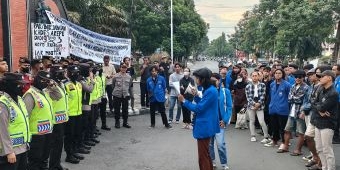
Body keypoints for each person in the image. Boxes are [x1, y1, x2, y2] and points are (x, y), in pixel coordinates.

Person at [178, 67, 220, 170]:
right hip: (207, 125)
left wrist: (184, 101)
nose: (196, 80)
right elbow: (202, 103)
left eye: (197, 78)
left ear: (203, 79)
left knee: (203, 156)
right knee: (206, 154)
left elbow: (199, 108)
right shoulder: (209, 90)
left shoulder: (210, 91)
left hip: (205, 126)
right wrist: (196, 94)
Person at [23, 71, 62, 170]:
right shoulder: (30, 94)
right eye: (43, 80)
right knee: (35, 161)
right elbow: (26, 116)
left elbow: (58, 96)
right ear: (36, 79)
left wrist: (52, 85)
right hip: (36, 134)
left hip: (47, 131)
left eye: (47, 81)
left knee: (44, 158)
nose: (45, 82)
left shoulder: (46, 92)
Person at [0, 73, 30, 170]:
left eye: (22, 84)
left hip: (22, 147)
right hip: (10, 151)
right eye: (19, 84)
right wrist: (9, 151)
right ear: (10, 85)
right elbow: (2, 129)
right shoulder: (3, 103)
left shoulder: (19, 99)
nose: (22, 87)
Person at [310, 70, 338, 170]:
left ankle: (330, 168)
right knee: (319, 148)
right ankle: (324, 167)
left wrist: (319, 108)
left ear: (329, 78)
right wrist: (320, 110)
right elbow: (312, 101)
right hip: (318, 121)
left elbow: (321, 107)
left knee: (327, 149)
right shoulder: (321, 89)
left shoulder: (333, 93)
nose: (320, 78)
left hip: (328, 123)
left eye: (322, 76)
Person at [277, 70, 309, 155]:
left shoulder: (306, 87)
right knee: (287, 130)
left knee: (300, 132)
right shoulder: (293, 86)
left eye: (300, 77)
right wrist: (294, 98)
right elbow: (289, 98)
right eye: (296, 77)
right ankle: (286, 147)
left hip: (300, 112)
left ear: (303, 77)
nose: (297, 78)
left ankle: (298, 150)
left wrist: (293, 98)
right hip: (292, 111)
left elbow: (299, 99)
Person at [48, 65, 70, 170]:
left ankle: (56, 164)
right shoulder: (50, 85)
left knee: (59, 144)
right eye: (60, 72)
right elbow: (58, 97)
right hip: (55, 119)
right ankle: (53, 166)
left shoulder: (60, 83)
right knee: (55, 145)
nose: (63, 74)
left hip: (62, 118)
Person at [209, 73, 232, 170]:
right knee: (209, 144)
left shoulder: (225, 91)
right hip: (209, 122)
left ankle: (224, 163)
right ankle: (212, 161)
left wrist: (225, 120)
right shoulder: (208, 91)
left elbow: (230, 107)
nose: (214, 82)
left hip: (220, 122)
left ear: (219, 81)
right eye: (212, 80)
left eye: (215, 80)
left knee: (220, 144)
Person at [64, 66, 84, 164]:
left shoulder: (79, 84)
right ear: (69, 73)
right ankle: (69, 155)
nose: (75, 74)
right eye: (73, 72)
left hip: (78, 113)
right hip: (70, 114)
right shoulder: (65, 85)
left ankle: (74, 151)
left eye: (77, 72)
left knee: (77, 133)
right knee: (69, 135)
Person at [266, 69, 291, 148]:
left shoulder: (287, 85)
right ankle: (275, 141)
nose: (277, 74)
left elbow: (289, 97)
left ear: (282, 74)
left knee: (283, 127)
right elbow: (270, 96)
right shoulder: (272, 84)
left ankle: (284, 143)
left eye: (279, 73)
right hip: (273, 108)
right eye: (276, 73)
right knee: (274, 126)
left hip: (283, 109)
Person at [245, 71, 270, 143]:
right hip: (251, 106)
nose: (255, 77)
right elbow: (248, 97)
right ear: (251, 77)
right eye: (253, 76)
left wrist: (258, 103)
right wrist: (254, 104)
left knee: (261, 121)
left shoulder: (262, 85)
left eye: (256, 76)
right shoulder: (248, 86)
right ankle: (253, 136)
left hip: (260, 105)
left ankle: (266, 136)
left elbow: (263, 95)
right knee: (252, 121)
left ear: (258, 77)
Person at [112, 63, 133, 128]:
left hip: (125, 95)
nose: (123, 69)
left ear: (126, 68)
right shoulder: (116, 76)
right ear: (120, 68)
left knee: (125, 109)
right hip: (117, 95)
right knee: (117, 109)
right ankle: (117, 122)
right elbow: (113, 85)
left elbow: (129, 86)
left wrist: (127, 92)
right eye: (122, 67)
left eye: (125, 67)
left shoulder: (129, 77)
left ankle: (125, 122)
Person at [331, 64, 340, 144]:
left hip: (338, 102)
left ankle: (336, 138)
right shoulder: (336, 79)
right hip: (335, 102)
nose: (333, 71)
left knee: (337, 120)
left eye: (334, 70)